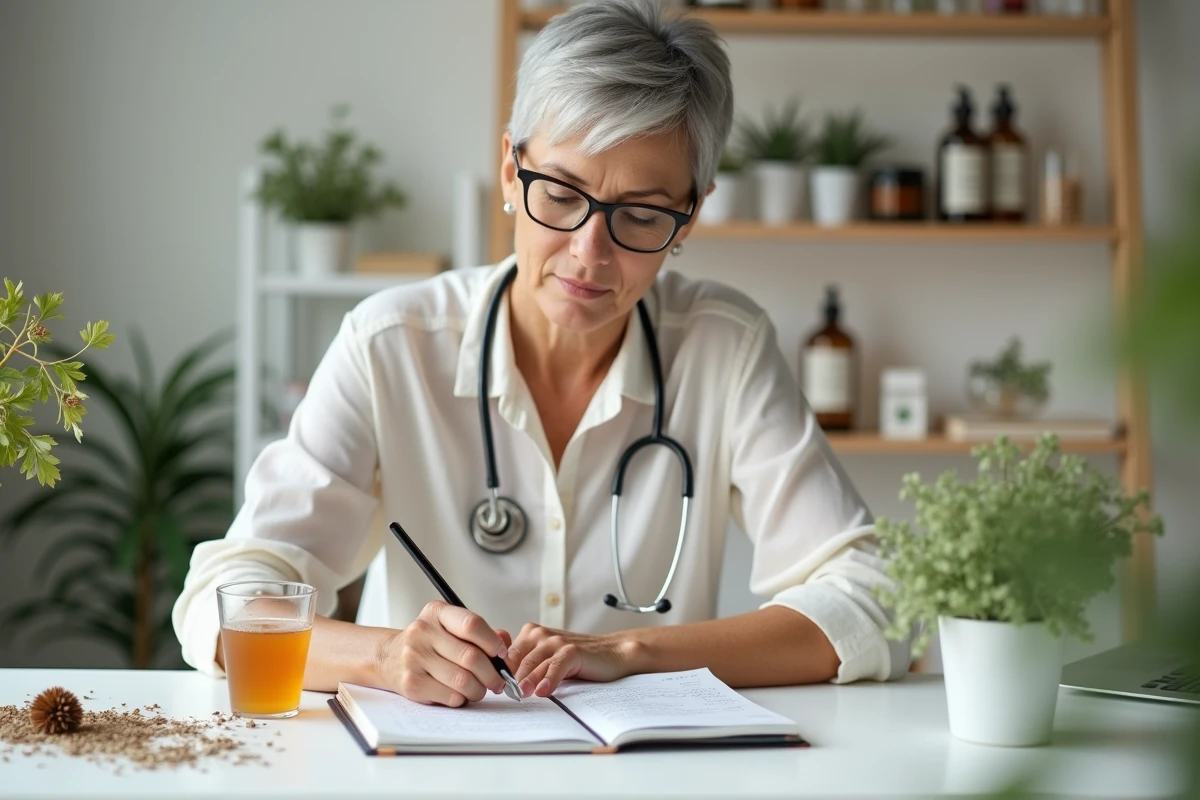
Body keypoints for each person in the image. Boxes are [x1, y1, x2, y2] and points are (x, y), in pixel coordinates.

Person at [173, 0, 912, 708]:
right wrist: (384, 656)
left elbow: (876, 599)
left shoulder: (725, 347)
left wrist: (631, 654)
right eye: (560, 194)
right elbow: (222, 599)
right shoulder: (390, 346)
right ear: (508, 169)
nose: (590, 253)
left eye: (643, 215)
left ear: (692, 213)